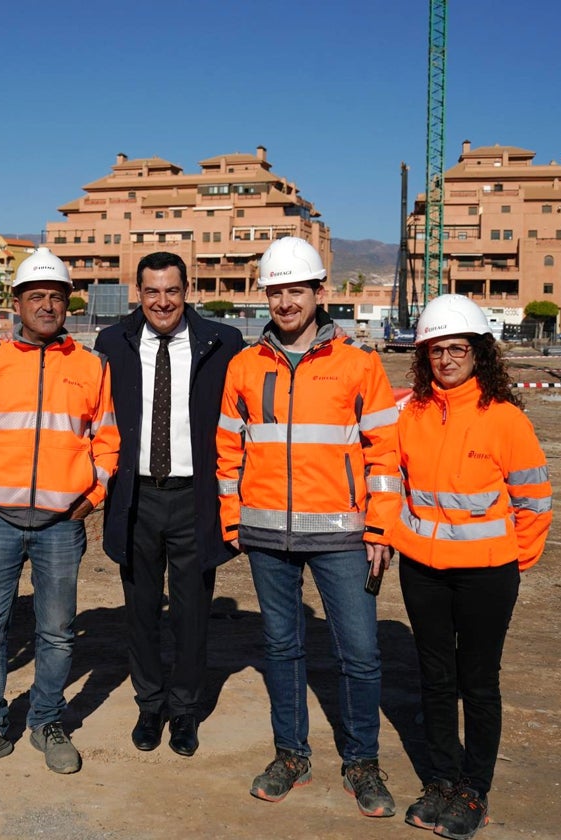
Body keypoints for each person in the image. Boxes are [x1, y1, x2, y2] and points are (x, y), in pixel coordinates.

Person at [215, 236, 402, 817]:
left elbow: (385, 453)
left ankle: (362, 762)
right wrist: (232, 520)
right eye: (276, 291)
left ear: (320, 292)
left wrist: (381, 528)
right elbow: (228, 449)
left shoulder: (359, 364)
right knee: (282, 648)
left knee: (361, 653)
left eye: (296, 289)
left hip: (343, 535)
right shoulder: (244, 367)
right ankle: (291, 754)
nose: (285, 301)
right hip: (267, 535)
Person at [0, 247, 119, 776]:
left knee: (58, 631)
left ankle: (46, 721)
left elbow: (107, 441)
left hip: (62, 525)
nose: (46, 305)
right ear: (17, 303)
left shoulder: (91, 367)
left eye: (56, 297)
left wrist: (91, 498)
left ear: (68, 305)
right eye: (36, 296)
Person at [392, 295, 552, 840]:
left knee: (478, 682)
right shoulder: (408, 414)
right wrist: (394, 537)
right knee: (435, 680)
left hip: (487, 573)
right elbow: (390, 482)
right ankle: (440, 779)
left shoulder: (506, 420)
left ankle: (473, 791)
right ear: (423, 356)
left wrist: (515, 560)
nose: (446, 359)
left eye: (457, 348)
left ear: (479, 352)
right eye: (436, 349)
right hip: (422, 569)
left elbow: (534, 500)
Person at [94, 251, 244, 756]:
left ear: (187, 290)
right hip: (135, 497)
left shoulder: (222, 343)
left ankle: (184, 710)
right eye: (152, 291)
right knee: (139, 609)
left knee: (191, 611)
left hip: (193, 498)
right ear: (138, 292)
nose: (162, 302)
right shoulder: (112, 343)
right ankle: (149, 702)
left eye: (172, 291)